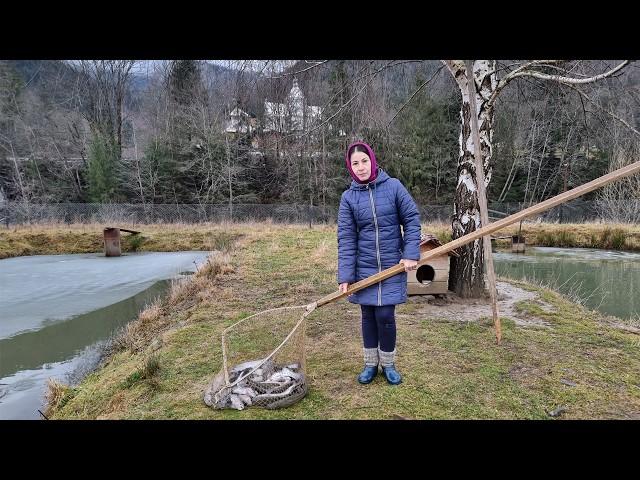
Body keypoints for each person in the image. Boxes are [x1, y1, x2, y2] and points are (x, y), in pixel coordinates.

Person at [337, 141, 421, 385]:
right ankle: (370, 364)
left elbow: (412, 220)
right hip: (364, 268)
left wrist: (410, 253)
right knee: (368, 314)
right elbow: (346, 238)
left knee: (385, 314)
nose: (361, 167)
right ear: (350, 167)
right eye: (355, 163)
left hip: (392, 264)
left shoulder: (393, 187)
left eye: (364, 161)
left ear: (372, 161)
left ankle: (388, 364)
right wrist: (346, 275)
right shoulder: (348, 198)